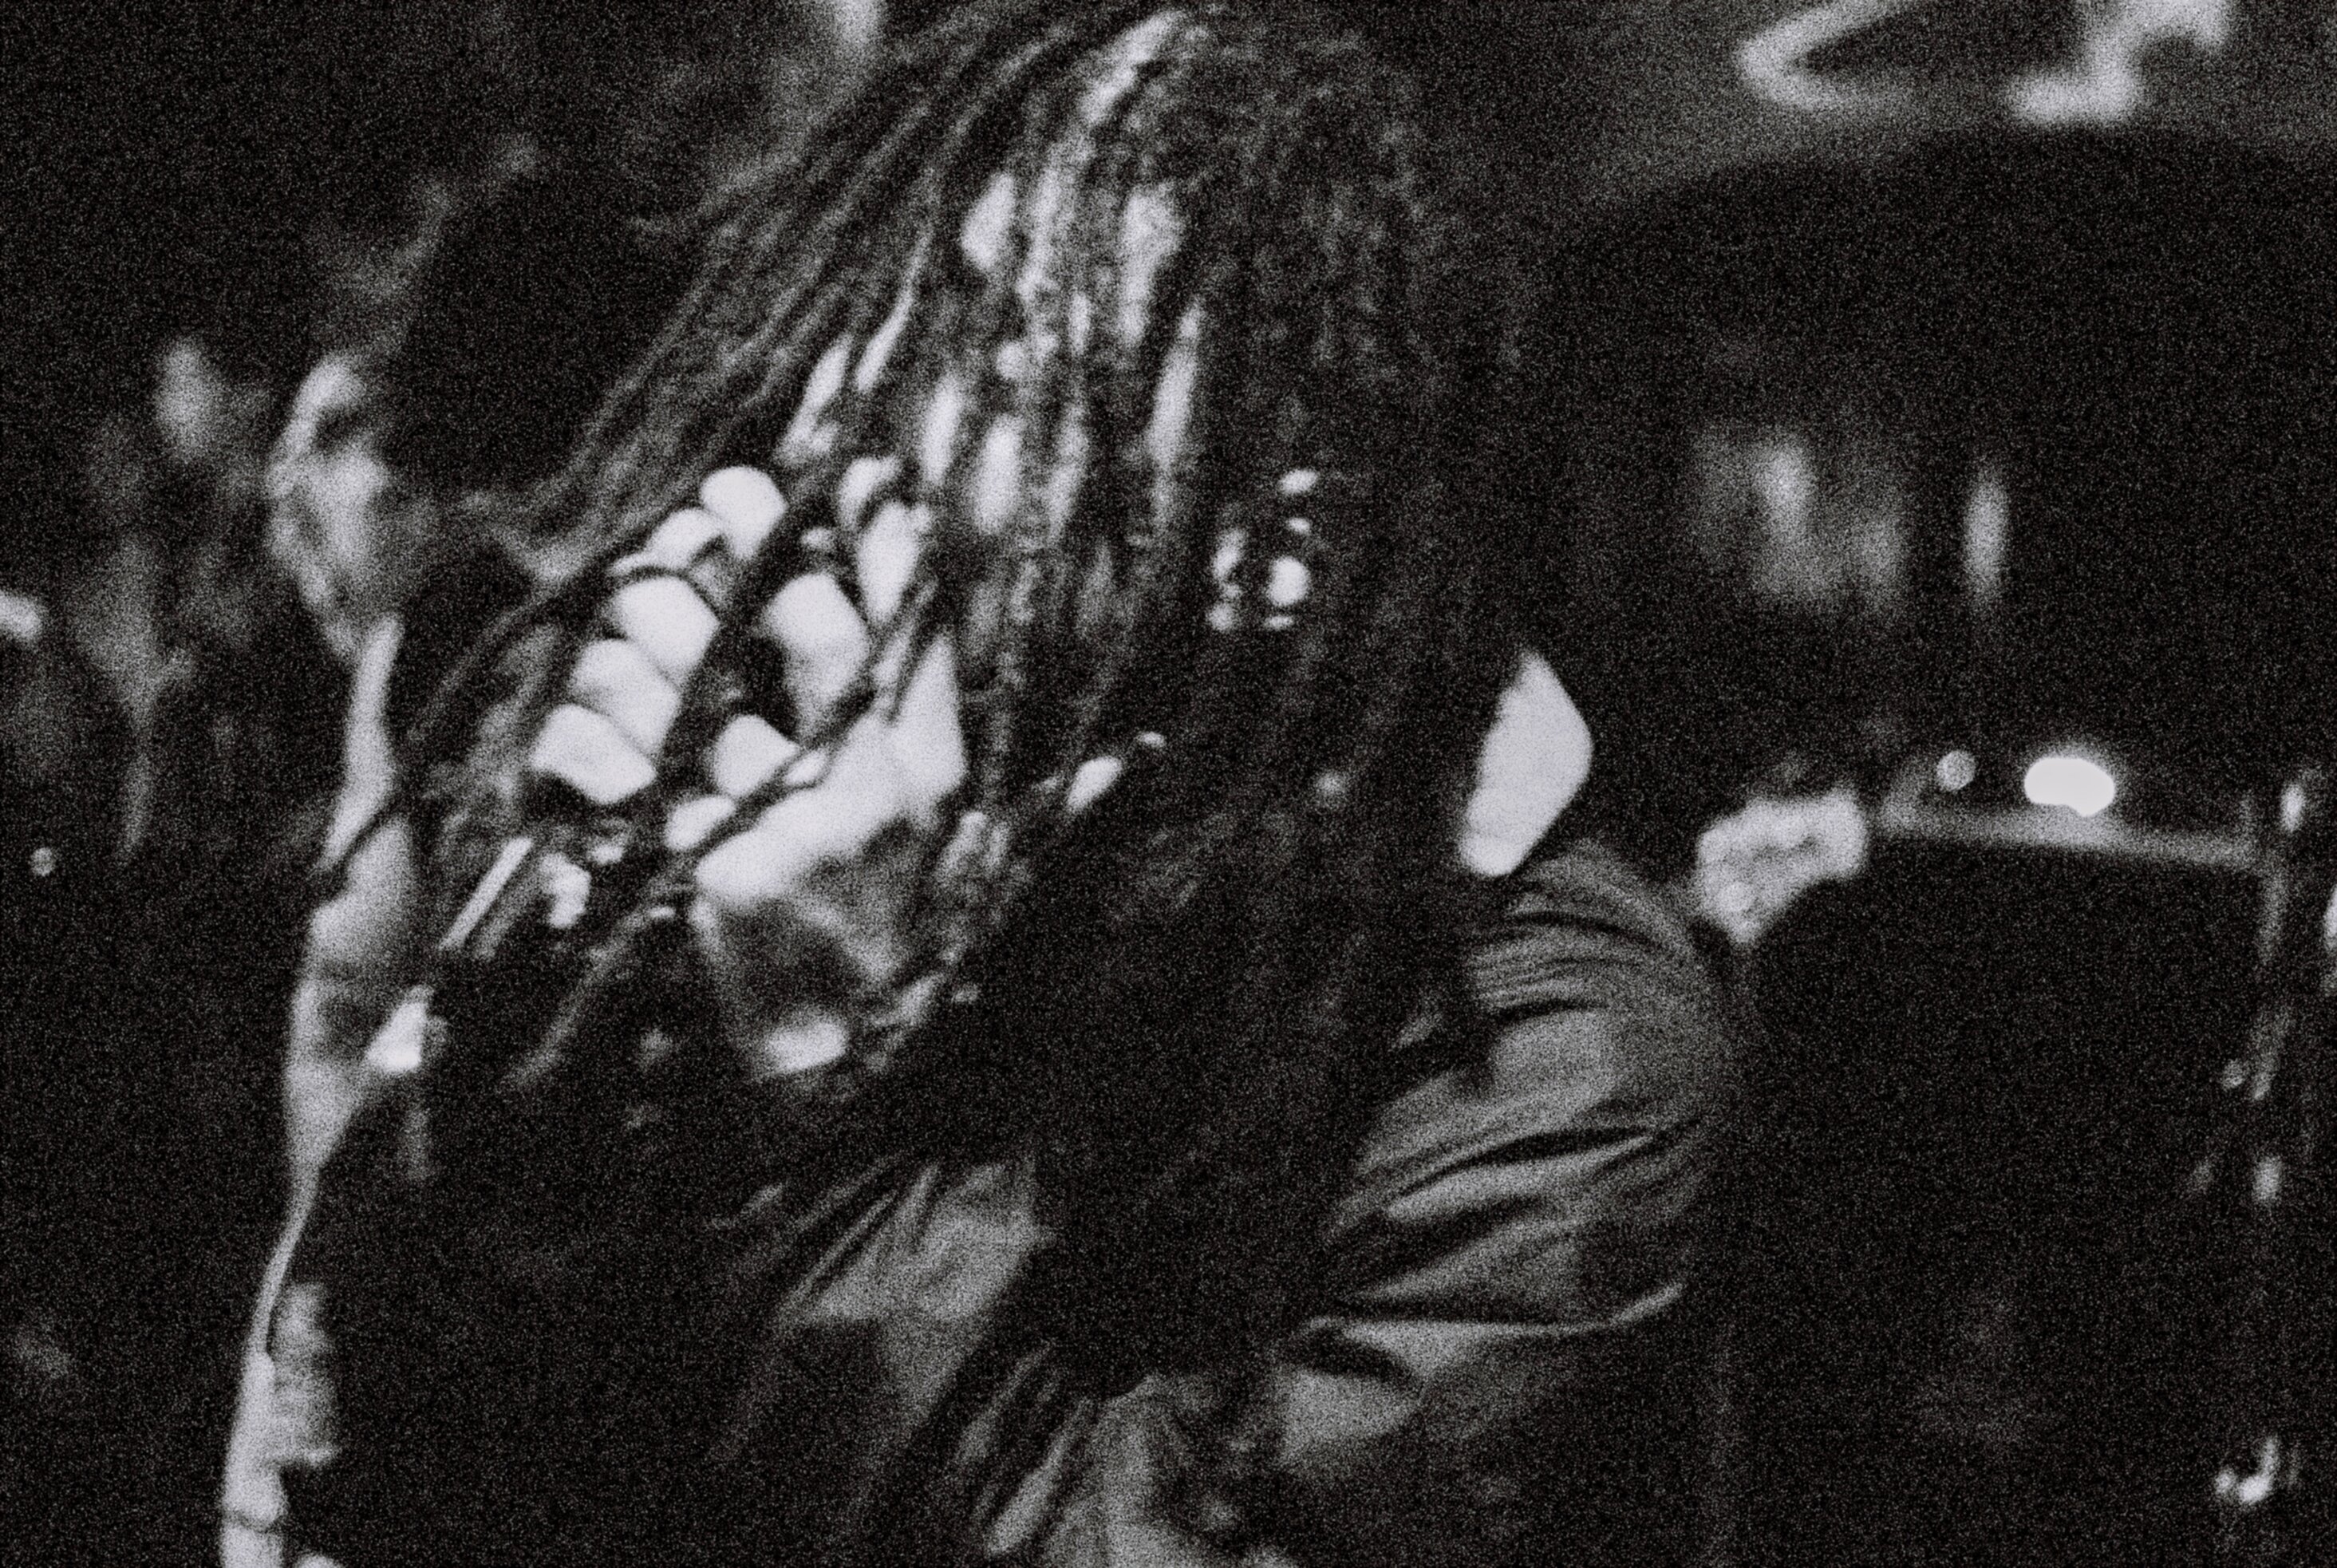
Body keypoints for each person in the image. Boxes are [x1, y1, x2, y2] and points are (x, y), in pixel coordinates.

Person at [223, 2, 1739, 1564]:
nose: (842, 416)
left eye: (994, 353)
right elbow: (421, 1451)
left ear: (1270, 544)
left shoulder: (1570, 1069)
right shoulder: (934, 826)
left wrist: (821, 1095)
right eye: (872, 324)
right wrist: (547, 985)